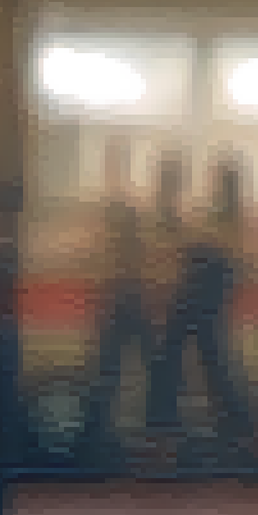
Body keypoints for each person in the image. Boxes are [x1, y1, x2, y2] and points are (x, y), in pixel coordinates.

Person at [145, 149, 258, 469]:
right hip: (199, 296)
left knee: (202, 365)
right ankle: (237, 436)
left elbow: (230, 250)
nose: (210, 181)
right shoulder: (215, 213)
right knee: (202, 365)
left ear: (226, 182)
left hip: (204, 297)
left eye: (215, 176)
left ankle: (172, 437)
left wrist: (193, 237)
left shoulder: (229, 215)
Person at [73, 136, 157, 472]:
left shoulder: (115, 204)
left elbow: (99, 250)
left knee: (107, 374)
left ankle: (93, 444)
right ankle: (146, 441)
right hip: (133, 297)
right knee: (143, 370)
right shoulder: (132, 204)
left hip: (118, 297)